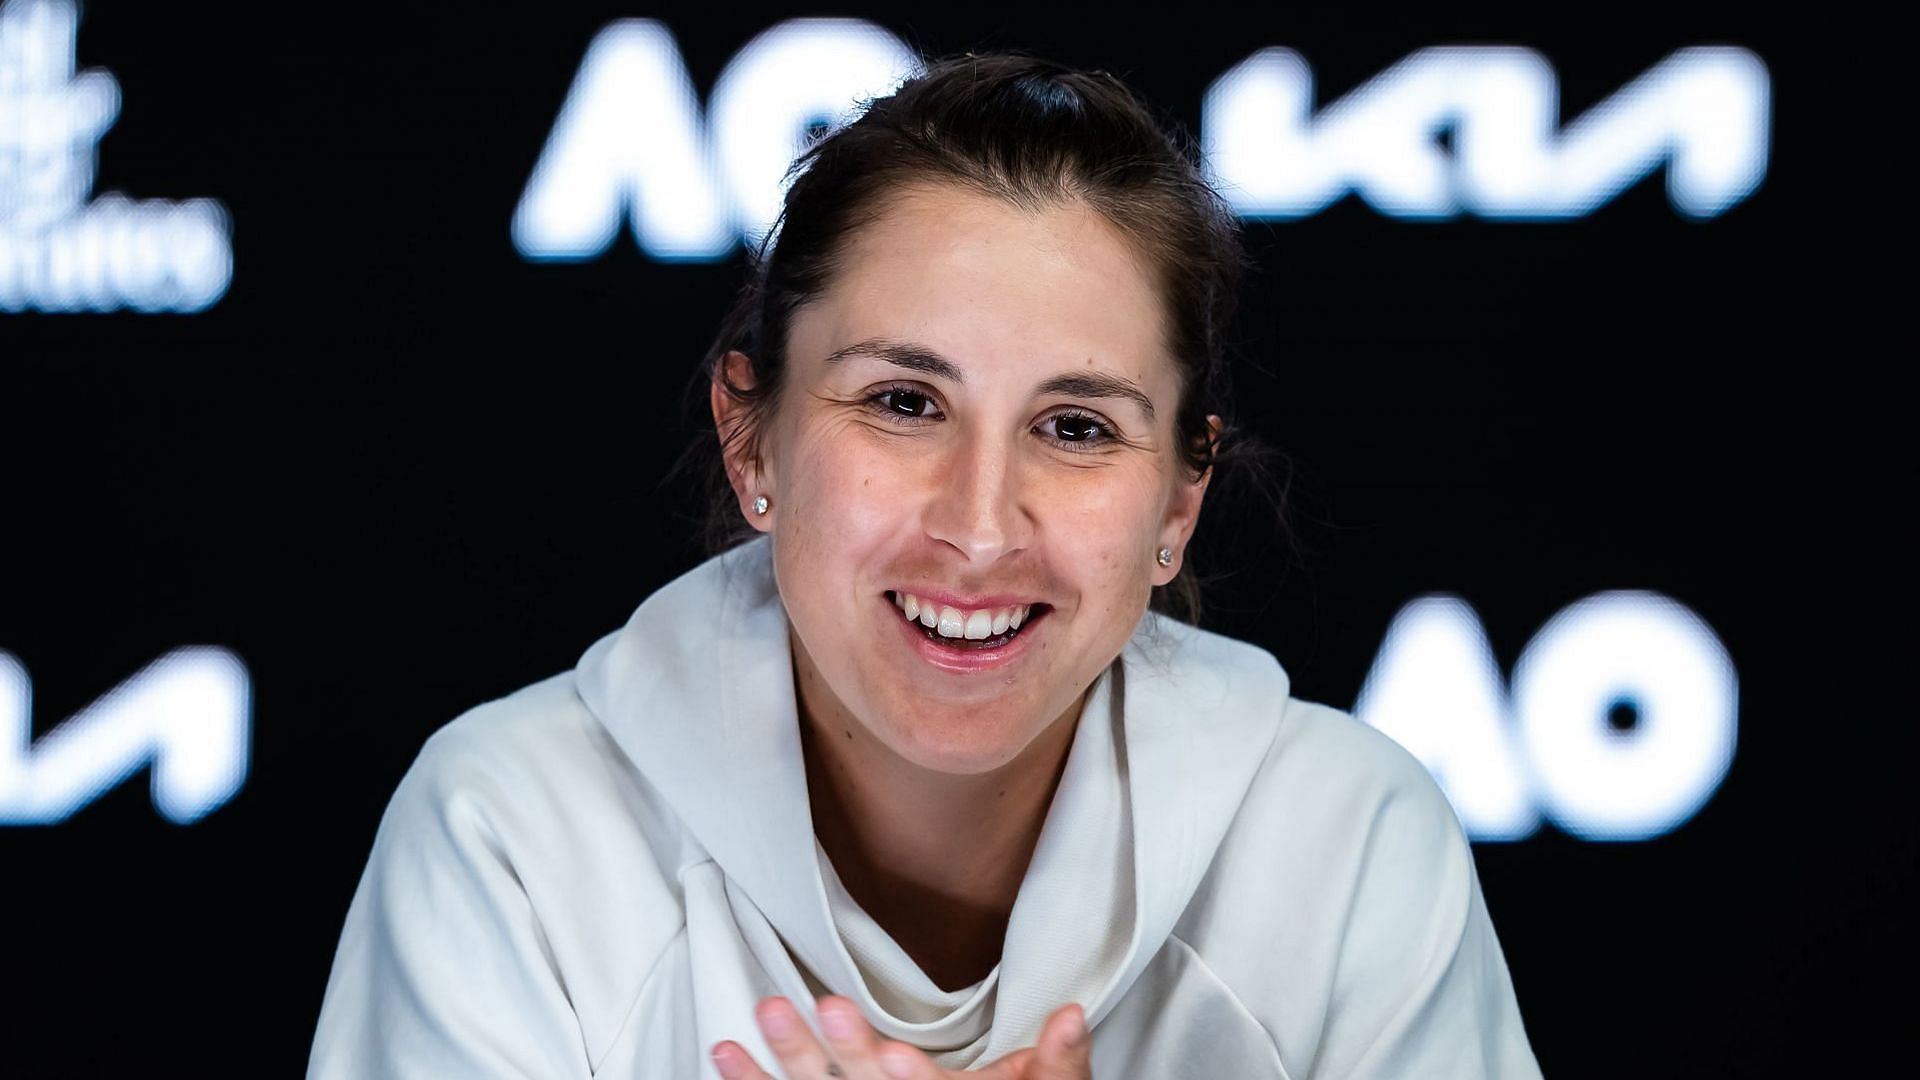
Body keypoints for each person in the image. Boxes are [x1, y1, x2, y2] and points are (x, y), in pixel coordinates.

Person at [306, 50, 1542, 1079]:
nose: (981, 526)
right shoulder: (510, 841)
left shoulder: (1350, 847)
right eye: (903, 402)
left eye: (1075, 428)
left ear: (1180, 497)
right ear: (754, 437)